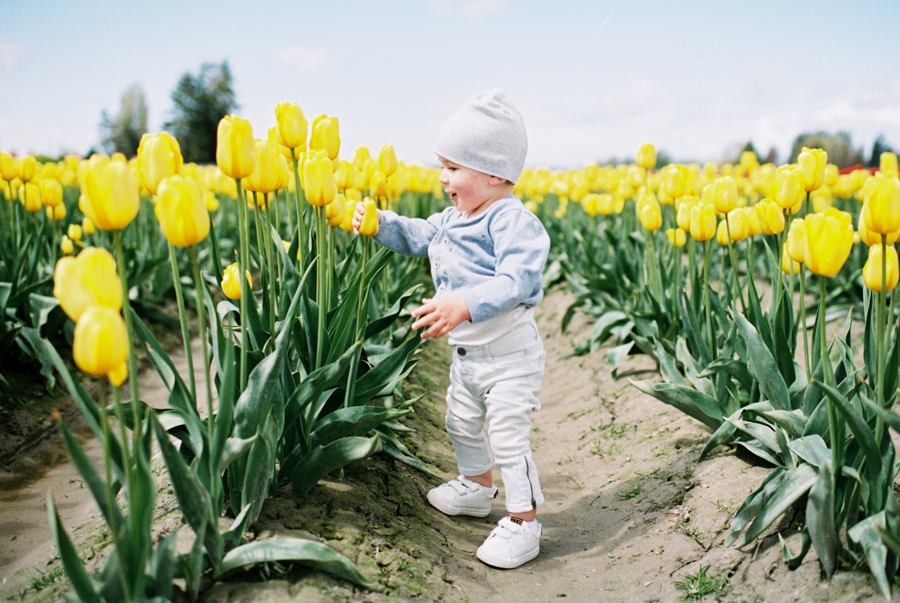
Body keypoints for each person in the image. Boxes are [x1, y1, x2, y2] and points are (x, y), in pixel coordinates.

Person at [353, 89, 550, 569]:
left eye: (453, 168)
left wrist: (464, 301)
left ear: (494, 173)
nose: (443, 178)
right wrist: (381, 223)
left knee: (506, 436)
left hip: (509, 357)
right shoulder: (455, 217)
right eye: (443, 166)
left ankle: (525, 523)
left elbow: (518, 280)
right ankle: (476, 488)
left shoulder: (512, 222)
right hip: (468, 358)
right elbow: (421, 234)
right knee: (459, 423)